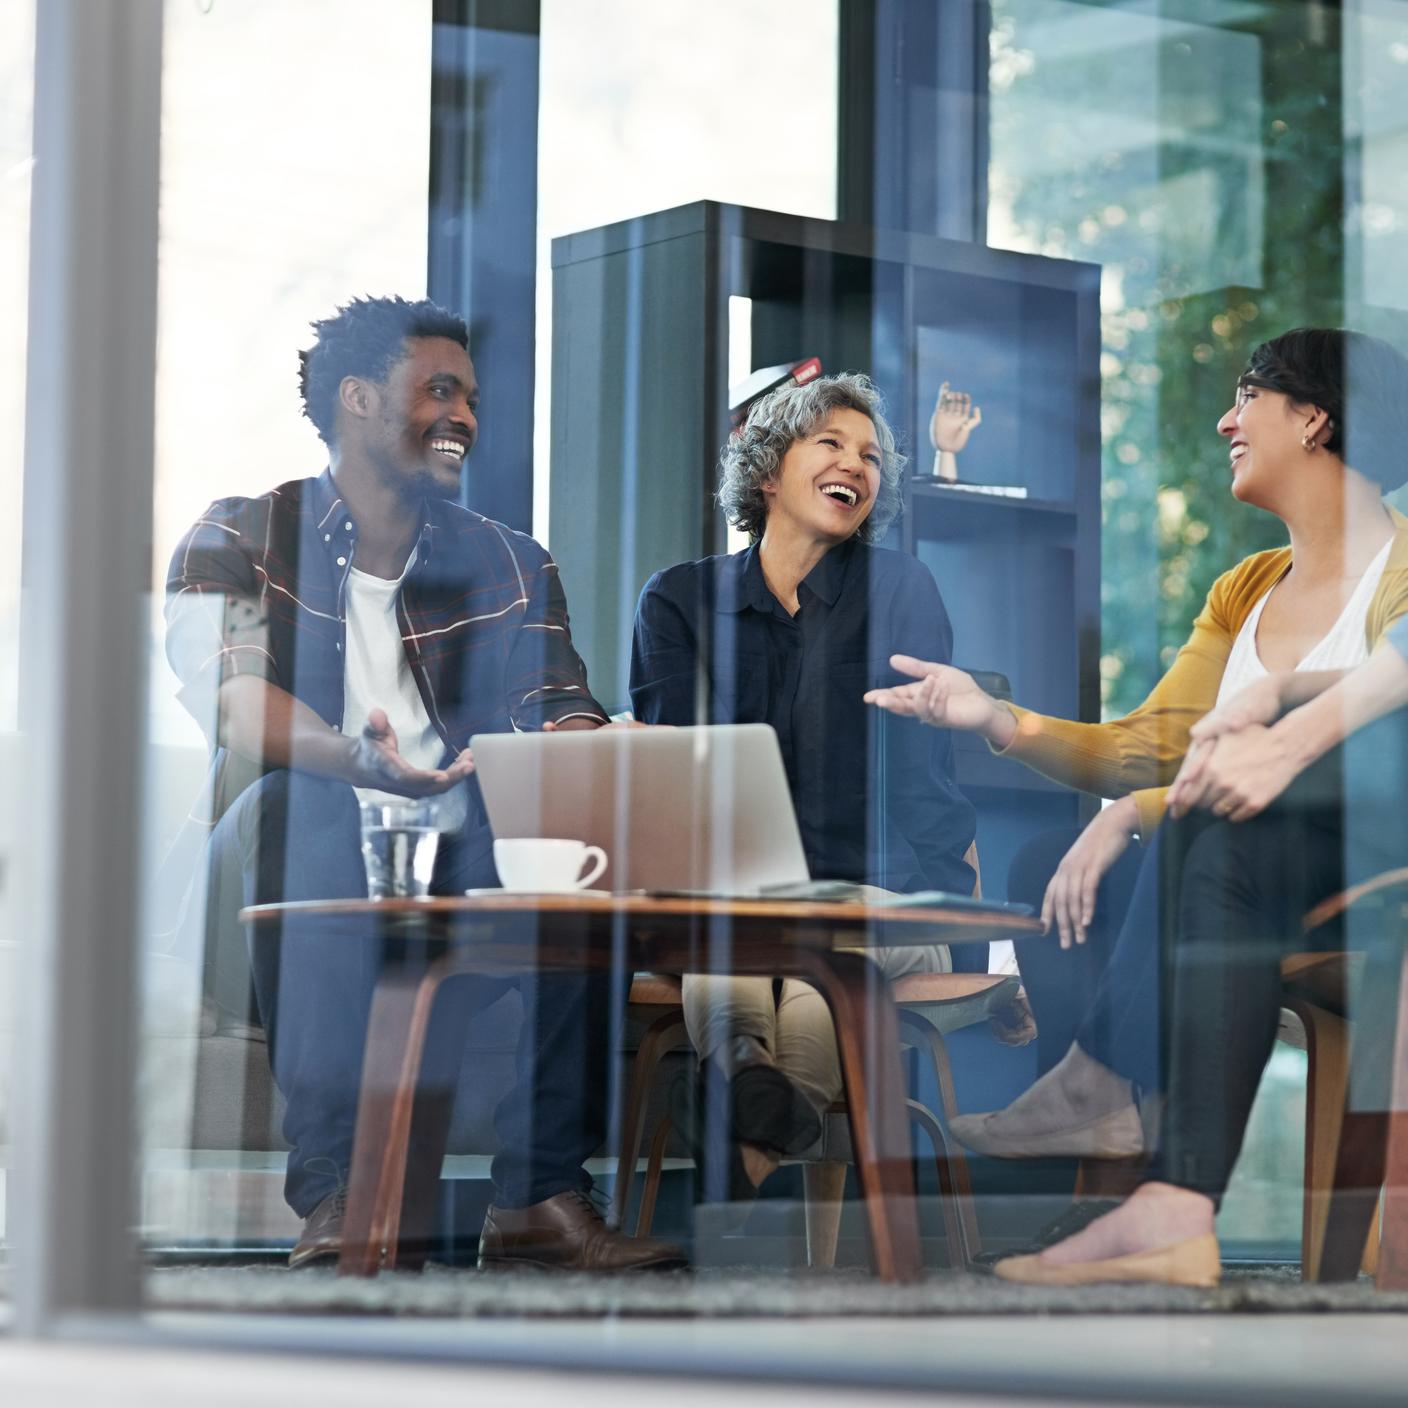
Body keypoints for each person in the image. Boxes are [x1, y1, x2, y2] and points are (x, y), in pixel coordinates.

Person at [867, 327, 1408, 1283]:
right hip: (1258, 860)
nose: (1224, 420)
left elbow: (1376, 717)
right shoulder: (1245, 588)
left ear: (1315, 417)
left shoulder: (1403, 556)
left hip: (1371, 853)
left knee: (1180, 822)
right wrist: (997, 719)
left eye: (1248, 396)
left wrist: (1149, 806)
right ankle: (1139, 1173)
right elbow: (1149, 747)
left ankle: (1105, 1084)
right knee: (1052, 867)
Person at [165, 295, 683, 1272]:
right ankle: (340, 1196)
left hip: (450, 874)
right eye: (437, 389)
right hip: (273, 882)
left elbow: (553, 700)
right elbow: (235, 702)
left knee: (579, 833)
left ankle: (539, 1197)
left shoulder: (507, 562)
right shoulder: (239, 535)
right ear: (358, 398)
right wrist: (354, 760)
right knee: (305, 798)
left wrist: (603, 746)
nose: (465, 416)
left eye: (471, 396)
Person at [630, 372, 976, 1202]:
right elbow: (676, 784)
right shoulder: (678, 601)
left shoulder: (902, 590)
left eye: (871, 455)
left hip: (877, 897)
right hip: (725, 895)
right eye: (831, 443)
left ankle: (736, 1107)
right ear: (766, 471)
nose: (857, 464)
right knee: (739, 943)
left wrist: (963, 928)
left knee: (821, 982)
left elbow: (929, 782)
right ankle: (752, 1105)